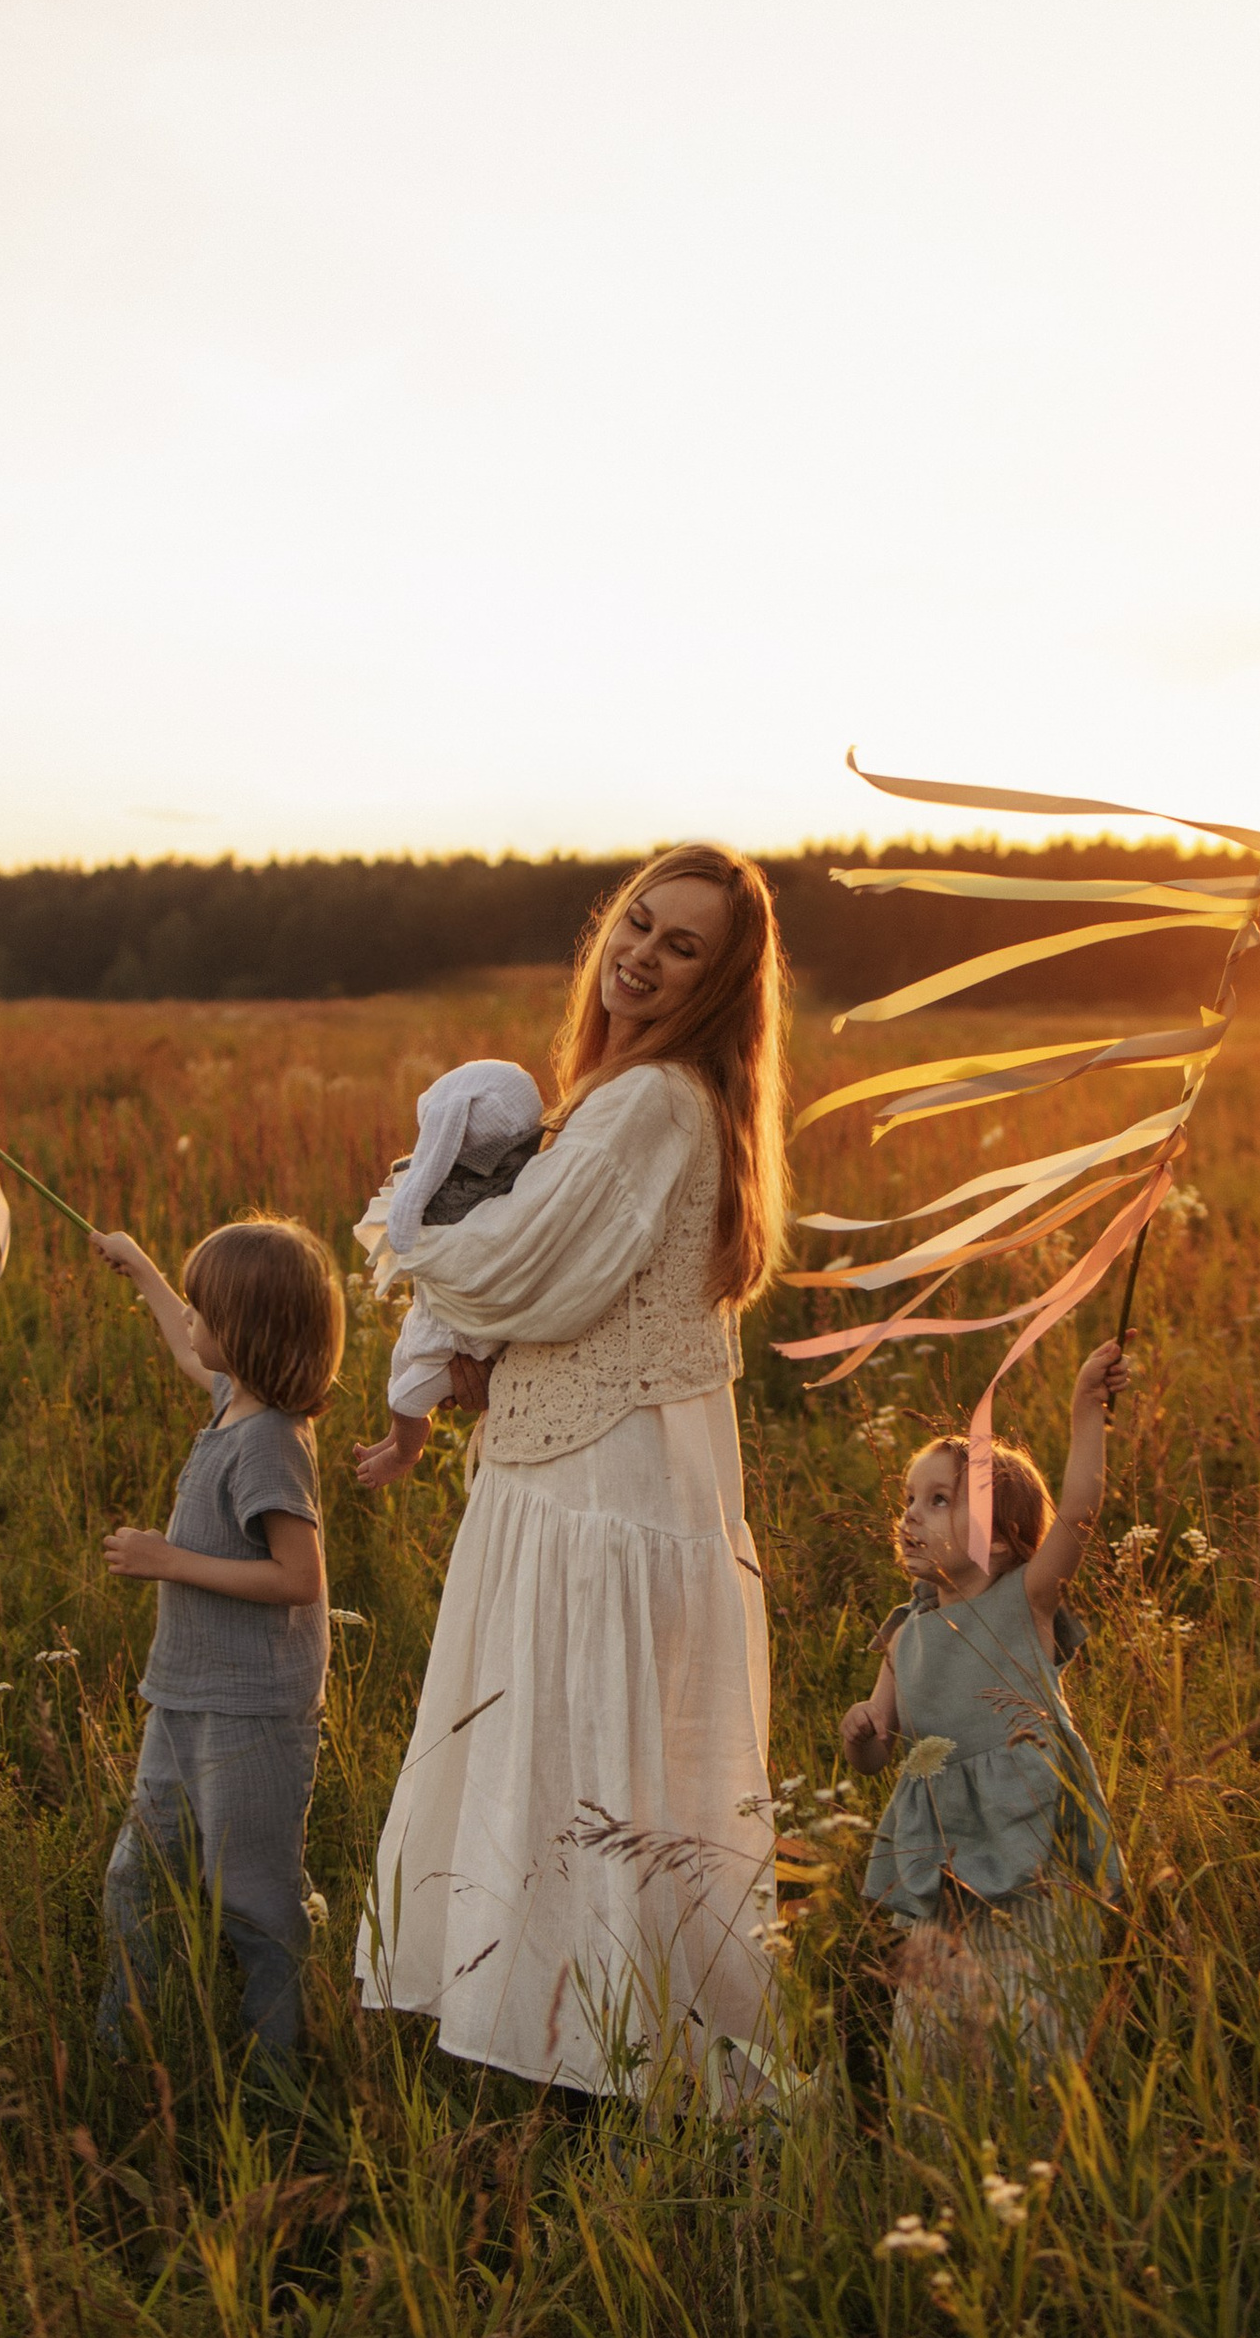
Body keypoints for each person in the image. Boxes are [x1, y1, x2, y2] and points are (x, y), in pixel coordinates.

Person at [357, 846, 789, 2101]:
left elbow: (517, 1272)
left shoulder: (650, 1100)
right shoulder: (637, 1094)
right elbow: (570, 1290)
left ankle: (592, 2051)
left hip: (602, 1489)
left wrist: (410, 1223)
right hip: (578, 1473)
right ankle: (563, 2037)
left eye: (680, 946)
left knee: (577, 1757)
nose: (641, 956)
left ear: (718, 982)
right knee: (575, 1753)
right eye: (636, 924)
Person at [87, 1211, 344, 2072]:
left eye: (205, 1309)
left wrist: (168, 1560)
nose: (189, 1319)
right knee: (138, 1877)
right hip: (184, 1696)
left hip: (253, 1711)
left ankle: (278, 2070)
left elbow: (298, 1576)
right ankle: (124, 2046)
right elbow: (183, 1341)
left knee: (254, 1898)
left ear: (246, 1333)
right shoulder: (236, 1401)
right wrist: (139, 1266)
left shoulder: (270, 1444)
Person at [840, 1351, 1129, 2082]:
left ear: (998, 1538)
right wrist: (862, 1733)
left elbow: (1080, 1511)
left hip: (1030, 1853)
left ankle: (1040, 2117)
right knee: (935, 2029)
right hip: (941, 1862)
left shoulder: (1024, 1600)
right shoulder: (904, 1634)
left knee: (1031, 2013)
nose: (910, 1513)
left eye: (940, 1500)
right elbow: (878, 1754)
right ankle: (938, 2124)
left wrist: (1086, 1410)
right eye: (909, 1498)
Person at [352, 1057, 548, 1490]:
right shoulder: (494, 1171)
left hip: (460, 1339)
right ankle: (397, 1435)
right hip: (432, 1318)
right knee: (398, 1365)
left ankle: (406, 1452)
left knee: (406, 1398)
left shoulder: (499, 1184)